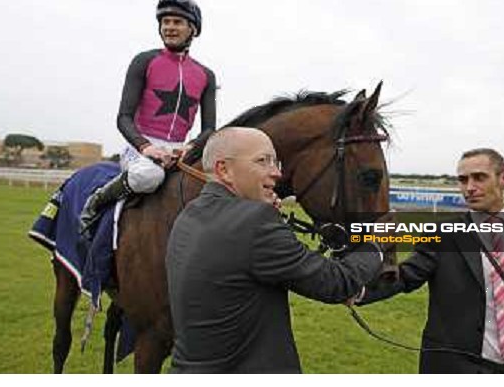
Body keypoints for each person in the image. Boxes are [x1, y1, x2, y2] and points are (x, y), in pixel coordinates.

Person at [165, 127, 385, 373]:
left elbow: (245, 265)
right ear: (223, 169)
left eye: (275, 161)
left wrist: (268, 218)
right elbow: (336, 283)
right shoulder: (255, 221)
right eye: (263, 161)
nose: (277, 172)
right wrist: (377, 241)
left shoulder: (189, 214)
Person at [360, 148, 504, 374]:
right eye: (463, 180)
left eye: (479, 177)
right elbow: (406, 276)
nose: (469, 187)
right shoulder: (443, 233)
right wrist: (355, 287)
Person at [79, 0, 216, 236]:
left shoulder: (206, 75)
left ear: (193, 29)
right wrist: (146, 148)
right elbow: (123, 117)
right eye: (165, 22)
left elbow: (209, 128)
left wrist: (190, 146)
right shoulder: (144, 61)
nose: (169, 27)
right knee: (149, 176)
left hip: (181, 150)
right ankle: (97, 201)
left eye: (177, 22)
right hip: (141, 150)